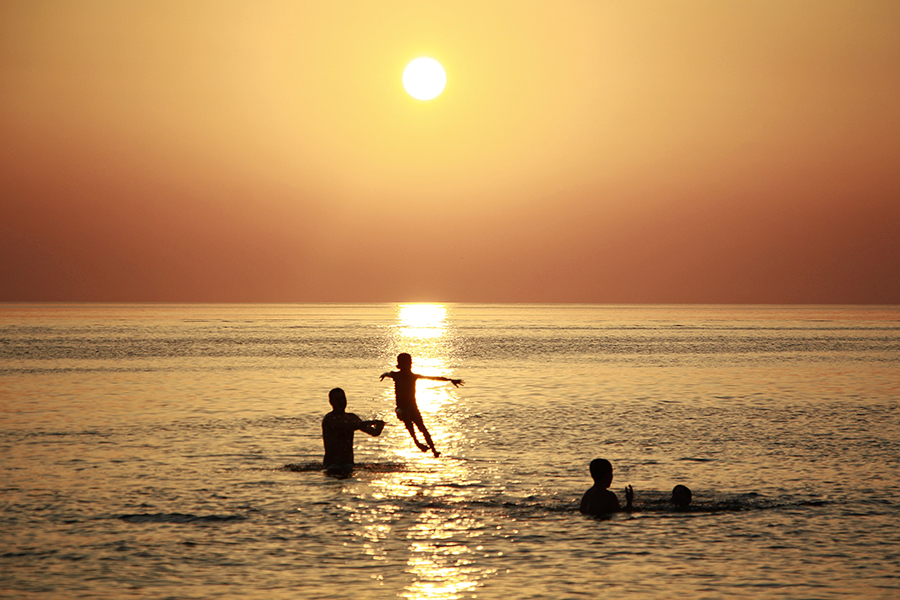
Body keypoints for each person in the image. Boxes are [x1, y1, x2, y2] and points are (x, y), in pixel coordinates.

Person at [379, 353, 463, 458]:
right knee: (407, 419)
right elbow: (388, 373)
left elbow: (434, 378)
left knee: (423, 428)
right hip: (400, 409)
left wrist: (450, 380)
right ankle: (417, 442)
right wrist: (384, 374)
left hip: (413, 408)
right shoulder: (396, 375)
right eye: (405, 364)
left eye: (408, 364)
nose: (407, 366)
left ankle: (434, 450)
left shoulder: (413, 376)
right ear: (401, 365)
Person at [322, 387, 385, 476]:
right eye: (337, 399)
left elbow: (373, 433)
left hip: (349, 464)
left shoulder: (351, 417)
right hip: (331, 465)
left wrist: (379, 427)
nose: (341, 402)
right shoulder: (329, 419)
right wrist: (368, 423)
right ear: (331, 402)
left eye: (343, 398)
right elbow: (347, 426)